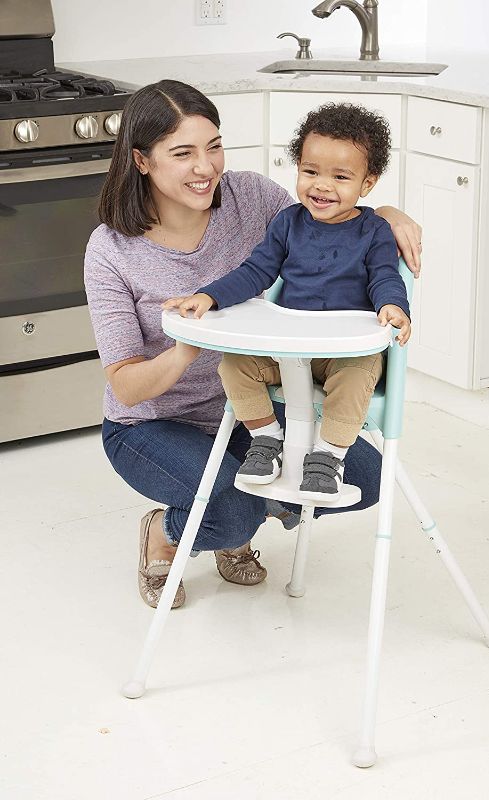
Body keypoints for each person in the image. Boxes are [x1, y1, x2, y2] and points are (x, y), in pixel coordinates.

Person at [83, 79, 422, 610]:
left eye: (213, 146)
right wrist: (190, 344)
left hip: (256, 407)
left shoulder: (252, 196)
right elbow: (127, 387)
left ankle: (233, 504)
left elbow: (326, 219)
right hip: (152, 422)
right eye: (183, 153)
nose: (205, 167)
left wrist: (385, 216)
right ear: (142, 161)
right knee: (233, 508)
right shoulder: (110, 250)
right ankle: (169, 530)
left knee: (364, 479)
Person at [164, 102, 411, 502]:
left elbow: (385, 275)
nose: (322, 185)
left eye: (341, 176)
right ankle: (265, 440)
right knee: (234, 363)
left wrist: (393, 306)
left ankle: (329, 458)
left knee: (358, 372)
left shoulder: (374, 231)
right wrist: (209, 295)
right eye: (310, 172)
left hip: (340, 354)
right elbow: (255, 271)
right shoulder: (287, 222)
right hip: (286, 349)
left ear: (368, 183)